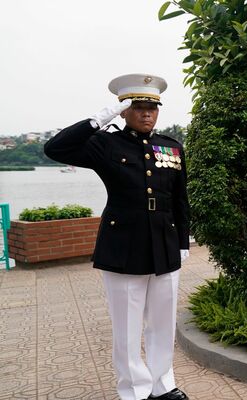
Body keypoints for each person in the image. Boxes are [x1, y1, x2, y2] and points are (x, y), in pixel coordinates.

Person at [44, 74, 191, 400]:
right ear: (124, 110)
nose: (146, 113)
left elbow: (180, 200)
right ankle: (134, 391)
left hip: (165, 246)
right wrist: (99, 119)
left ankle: (162, 384)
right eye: (137, 107)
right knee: (126, 328)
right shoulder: (104, 144)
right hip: (123, 246)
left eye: (152, 107)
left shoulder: (171, 147)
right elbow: (54, 148)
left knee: (163, 325)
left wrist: (183, 242)